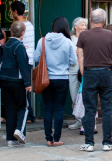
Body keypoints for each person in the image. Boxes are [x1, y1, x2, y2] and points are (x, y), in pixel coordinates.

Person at [76, 8, 112, 152]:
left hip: (89, 73)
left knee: (90, 109)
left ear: (90, 21)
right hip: (106, 73)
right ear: (103, 21)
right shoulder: (110, 35)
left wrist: (84, 73)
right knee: (107, 109)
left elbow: (80, 57)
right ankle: (107, 143)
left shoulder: (83, 35)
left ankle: (89, 143)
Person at [34, 16, 77, 146]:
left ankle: (48, 138)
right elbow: (74, 61)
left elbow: (36, 58)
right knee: (59, 108)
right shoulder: (68, 42)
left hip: (46, 79)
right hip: (62, 78)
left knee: (48, 108)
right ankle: (57, 139)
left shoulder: (42, 41)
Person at [0, 21, 32, 147]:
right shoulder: (19, 47)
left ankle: (10, 138)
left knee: (9, 109)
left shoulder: (6, 45)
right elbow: (23, 66)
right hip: (17, 81)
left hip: (4, 80)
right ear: (23, 33)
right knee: (23, 107)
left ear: (11, 32)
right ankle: (19, 130)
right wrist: (27, 83)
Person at [10, 1, 36, 123]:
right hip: (29, 60)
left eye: (11, 11)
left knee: (22, 89)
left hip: (22, 60)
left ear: (15, 11)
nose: (11, 13)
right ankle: (30, 114)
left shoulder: (18, 26)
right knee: (24, 88)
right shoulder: (30, 24)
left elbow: (18, 45)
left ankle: (29, 115)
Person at [69, 17, 88, 130]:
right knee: (74, 97)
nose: (84, 27)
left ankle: (84, 122)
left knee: (85, 97)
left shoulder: (88, 38)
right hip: (72, 70)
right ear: (75, 26)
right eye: (82, 25)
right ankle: (78, 120)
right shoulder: (70, 39)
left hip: (85, 71)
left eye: (85, 25)